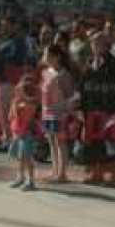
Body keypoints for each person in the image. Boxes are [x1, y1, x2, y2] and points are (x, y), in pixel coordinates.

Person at [79, 32, 115, 184]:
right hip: (91, 108)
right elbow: (82, 86)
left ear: (107, 45)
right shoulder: (89, 62)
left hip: (108, 109)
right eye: (92, 43)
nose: (95, 46)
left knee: (110, 143)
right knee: (93, 142)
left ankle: (113, 174)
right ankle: (95, 172)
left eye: (98, 43)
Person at [42, 44, 78, 183]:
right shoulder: (46, 72)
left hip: (60, 114)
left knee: (60, 142)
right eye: (45, 55)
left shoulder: (64, 75)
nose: (45, 58)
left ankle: (62, 173)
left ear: (57, 57)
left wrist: (68, 112)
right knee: (51, 142)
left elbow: (71, 96)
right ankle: (54, 171)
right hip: (48, 113)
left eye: (48, 55)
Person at [8, 75, 41, 191]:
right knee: (20, 157)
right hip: (18, 133)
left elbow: (27, 116)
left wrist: (18, 104)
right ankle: (20, 177)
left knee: (27, 157)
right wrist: (14, 105)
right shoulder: (17, 102)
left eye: (19, 90)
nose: (17, 92)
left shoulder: (29, 104)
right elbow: (11, 116)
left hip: (27, 133)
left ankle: (31, 181)